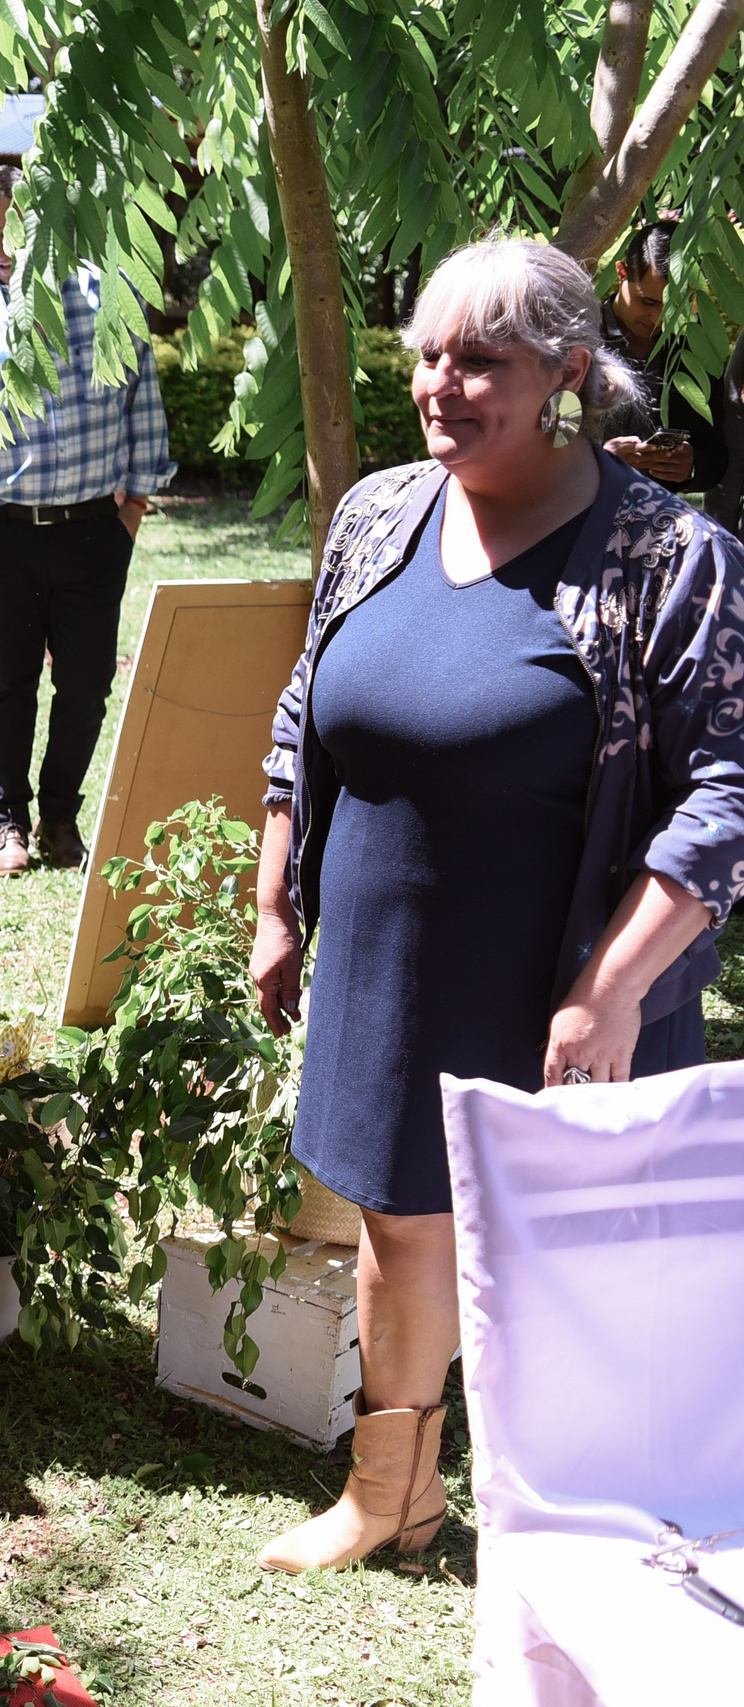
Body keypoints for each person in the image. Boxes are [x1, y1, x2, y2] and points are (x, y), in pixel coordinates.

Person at [250, 236, 744, 1574]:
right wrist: (277, 890)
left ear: (568, 373)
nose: (444, 385)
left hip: (564, 967)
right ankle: (391, 1494)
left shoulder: (666, 554)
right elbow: (309, 705)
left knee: (572, 1250)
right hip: (385, 947)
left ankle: (588, 1513)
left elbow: (728, 786)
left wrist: (616, 982)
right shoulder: (380, 512)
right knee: (396, 1218)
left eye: (484, 360)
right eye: (427, 354)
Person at [0, 164, 175, 877]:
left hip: (94, 528)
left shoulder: (109, 296)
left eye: (6, 233)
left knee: (88, 681)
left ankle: (62, 817)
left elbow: (142, 413)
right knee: (11, 680)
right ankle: (8, 822)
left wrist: (129, 517)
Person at [597, 218, 728, 497]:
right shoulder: (580, 338)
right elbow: (541, 439)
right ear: (621, 272)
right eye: (648, 301)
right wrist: (598, 459)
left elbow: (716, 451)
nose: (657, 318)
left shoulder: (697, 346)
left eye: (672, 306)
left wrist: (692, 466)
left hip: (662, 520)